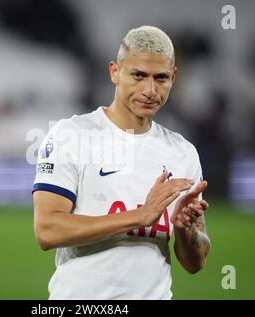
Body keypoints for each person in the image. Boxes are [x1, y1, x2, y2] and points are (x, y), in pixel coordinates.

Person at [32, 25, 211, 300]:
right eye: (139, 75)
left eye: (161, 78)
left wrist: (185, 228)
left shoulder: (182, 151)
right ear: (115, 72)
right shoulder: (71, 135)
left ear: (173, 78)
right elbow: (47, 230)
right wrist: (140, 216)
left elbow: (195, 262)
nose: (150, 89)